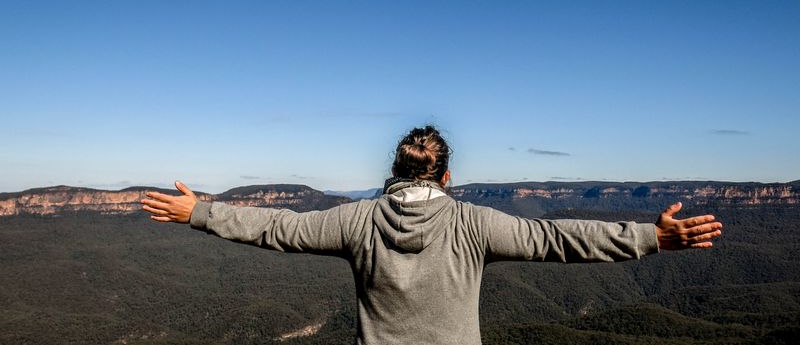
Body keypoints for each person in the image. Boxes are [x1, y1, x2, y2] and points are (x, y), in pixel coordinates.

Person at [141, 125, 723, 345]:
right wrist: (649, 237)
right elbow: (556, 238)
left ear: (393, 171)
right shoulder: (473, 224)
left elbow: (278, 227)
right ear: (447, 177)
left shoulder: (356, 220)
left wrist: (200, 212)